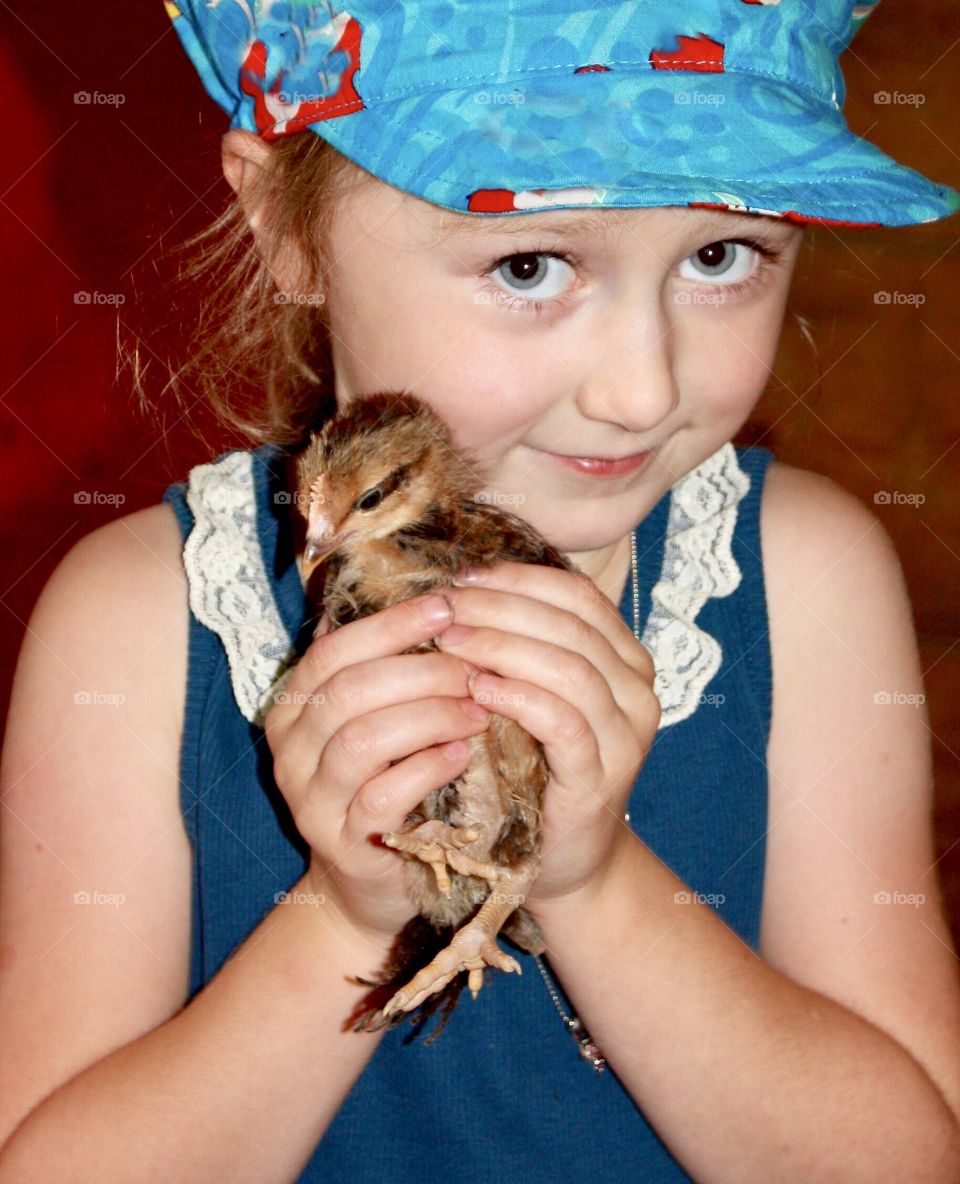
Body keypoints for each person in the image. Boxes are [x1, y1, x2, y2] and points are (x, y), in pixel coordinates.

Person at [1, 1, 959, 1180]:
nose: (638, 387)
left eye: (722, 255)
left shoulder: (804, 583)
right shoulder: (142, 623)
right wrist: (348, 914)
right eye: (528, 262)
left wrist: (593, 879)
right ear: (283, 225)